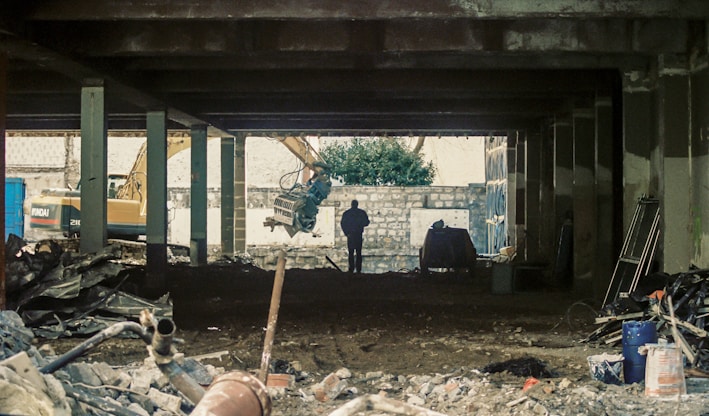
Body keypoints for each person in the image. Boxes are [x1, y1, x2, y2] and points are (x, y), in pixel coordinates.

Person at [340, 199, 370, 273]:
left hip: (350, 235)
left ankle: (351, 268)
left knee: (351, 252)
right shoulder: (361, 213)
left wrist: (346, 233)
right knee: (358, 252)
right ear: (357, 204)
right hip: (358, 235)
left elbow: (343, 224)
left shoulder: (347, 213)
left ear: (351, 204)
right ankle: (358, 269)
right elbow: (367, 222)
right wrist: (360, 224)